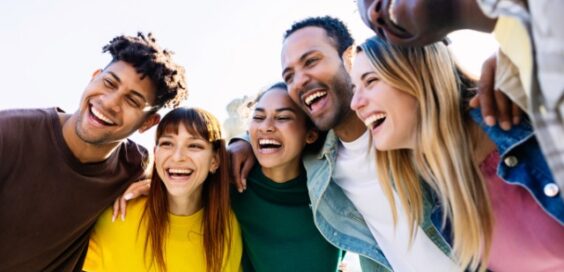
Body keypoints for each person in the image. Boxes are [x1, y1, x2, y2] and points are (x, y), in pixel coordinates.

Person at [229, 16, 459, 271]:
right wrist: (244, 141)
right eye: (289, 75)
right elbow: (280, 134)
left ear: (349, 57)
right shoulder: (320, 168)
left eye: (311, 61)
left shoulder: (405, 123)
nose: (300, 80)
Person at [350, 35, 564, 271]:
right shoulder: (440, 198)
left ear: (420, 76)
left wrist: (520, 53)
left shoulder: (526, 113)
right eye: (354, 88)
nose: (355, 103)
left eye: (370, 81)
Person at [0, 32, 187, 271]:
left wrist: (161, 186)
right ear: (94, 77)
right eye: (109, 83)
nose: (109, 103)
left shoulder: (135, 166)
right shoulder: (8, 135)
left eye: (132, 101)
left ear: (148, 123)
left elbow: (198, 175)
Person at [356, 0, 564, 200]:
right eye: (375, 26)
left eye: (371, 81)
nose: (372, 14)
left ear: (420, 76)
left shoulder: (517, 71)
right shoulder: (441, 207)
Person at [83, 107, 242, 272]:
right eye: (167, 143)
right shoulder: (118, 216)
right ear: (155, 154)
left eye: (194, 145)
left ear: (214, 161)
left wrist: (243, 143)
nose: (178, 156)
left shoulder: (230, 226)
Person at [230, 82, 343, 271]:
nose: (266, 127)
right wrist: (241, 141)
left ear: (311, 134)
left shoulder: (334, 186)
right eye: (258, 117)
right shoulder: (234, 182)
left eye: (282, 117)